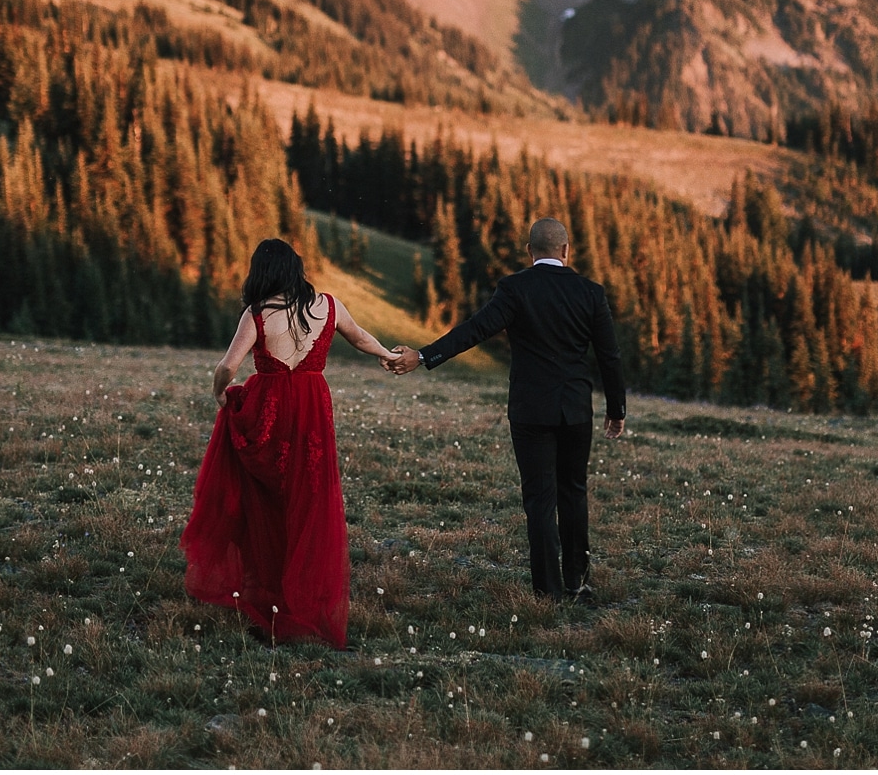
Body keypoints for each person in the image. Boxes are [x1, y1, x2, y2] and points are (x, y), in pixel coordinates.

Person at [383, 217, 625, 602]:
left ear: (530, 252)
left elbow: (474, 330)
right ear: (566, 251)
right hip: (576, 410)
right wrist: (617, 408)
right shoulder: (590, 292)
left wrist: (425, 355)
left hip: (530, 411)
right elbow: (609, 355)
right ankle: (577, 581)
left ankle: (548, 591)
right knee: (574, 492)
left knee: (540, 499)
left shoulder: (515, 289)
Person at [180, 238, 398, 649]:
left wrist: (221, 394)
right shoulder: (328, 306)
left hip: (271, 413)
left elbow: (228, 365)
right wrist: (387, 355)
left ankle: (270, 600)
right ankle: (305, 600)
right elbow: (360, 336)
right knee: (309, 502)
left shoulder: (259, 313)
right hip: (313, 411)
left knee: (265, 502)